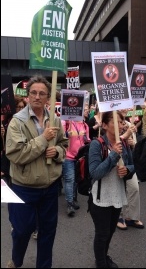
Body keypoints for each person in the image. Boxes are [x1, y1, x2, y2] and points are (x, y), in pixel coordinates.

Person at [5, 75, 68, 268]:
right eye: (33, 92)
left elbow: (63, 145)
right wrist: (43, 140)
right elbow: (17, 154)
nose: (37, 97)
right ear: (27, 94)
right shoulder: (17, 122)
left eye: (42, 93)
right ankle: (16, 261)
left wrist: (56, 152)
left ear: (48, 96)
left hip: (49, 187)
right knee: (23, 230)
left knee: (48, 232)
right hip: (23, 187)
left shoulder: (55, 119)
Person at [88, 111, 135, 268]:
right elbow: (95, 172)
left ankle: (104, 256)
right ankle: (100, 263)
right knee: (102, 234)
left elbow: (133, 165)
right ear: (105, 125)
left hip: (118, 195)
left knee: (110, 232)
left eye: (122, 122)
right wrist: (113, 155)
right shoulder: (97, 144)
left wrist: (127, 170)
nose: (121, 125)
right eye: (116, 121)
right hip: (101, 197)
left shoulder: (124, 143)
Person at [62, 118, 91, 217]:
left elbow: (87, 140)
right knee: (69, 179)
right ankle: (69, 204)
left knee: (75, 180)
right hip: (68, 157)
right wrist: (66, 134)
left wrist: (87, 140)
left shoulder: (84, 124)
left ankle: (74, 198)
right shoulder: (65, 122)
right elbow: (59, 138)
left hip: (80, 157)